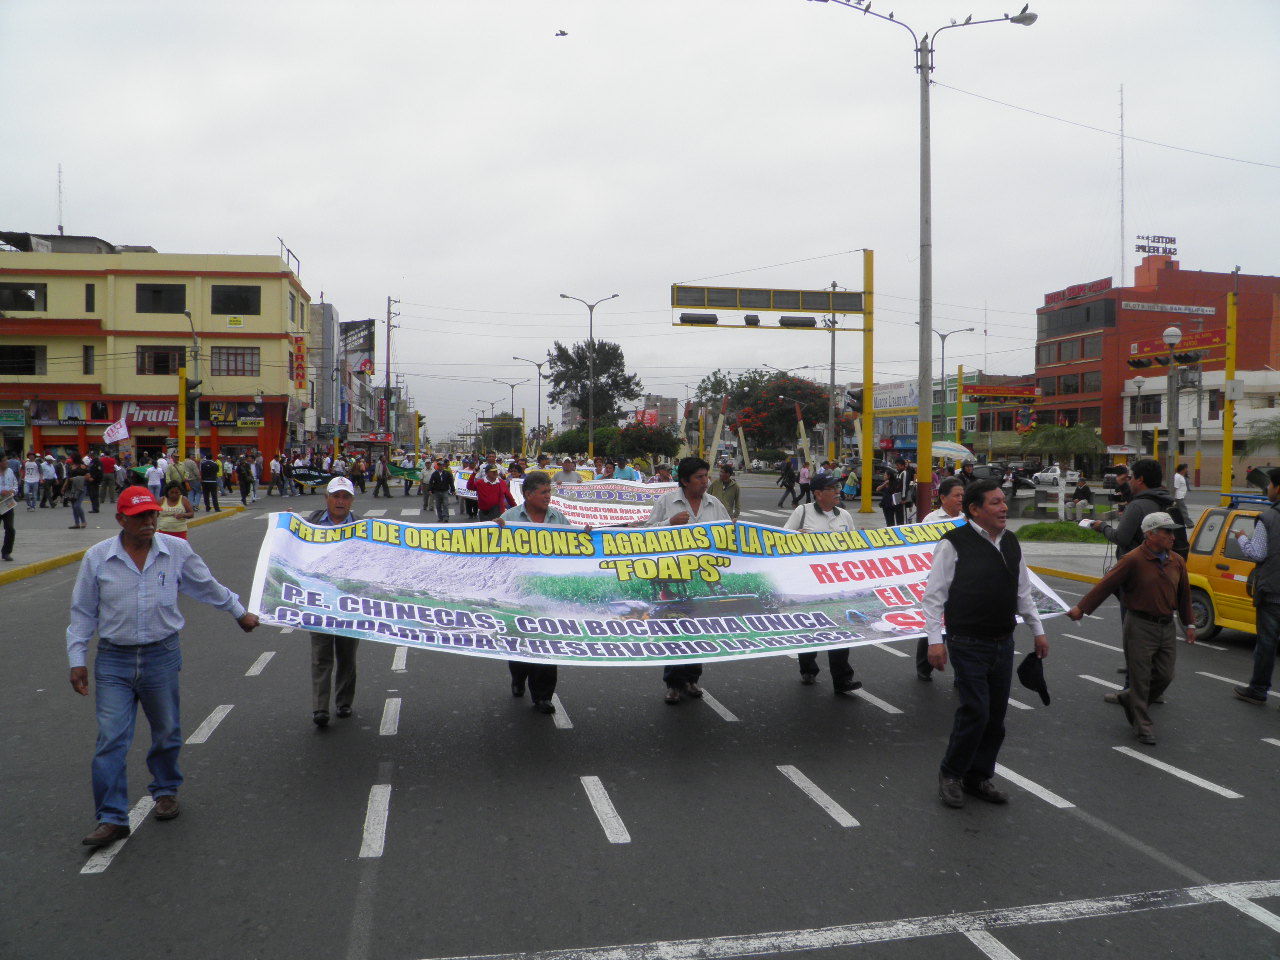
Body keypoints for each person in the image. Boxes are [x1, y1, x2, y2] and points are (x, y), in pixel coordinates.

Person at [66, 487, 259, 846]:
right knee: (110, 739)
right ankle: (111, 816)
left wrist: (239, 612)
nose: (149, 521)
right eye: (140, 516)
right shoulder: (97, 558)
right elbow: (82, 613)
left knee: (167, 731)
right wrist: (77, 659)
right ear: (121, 519)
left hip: (161, 655)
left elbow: (207, 586)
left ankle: (165, 790)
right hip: (114, 660)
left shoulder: (177, 551)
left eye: (152, 514)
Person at [921, 480, 1048, 809]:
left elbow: (1023, 592)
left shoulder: (1012, 543)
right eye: (995, 503)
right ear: (975, 510)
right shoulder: (953, 544)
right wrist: (935, 642)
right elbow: (934, 597)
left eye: (1003, 502)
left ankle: (979, 776)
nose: (1004, 508)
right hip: (967, 641)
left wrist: (1038, 630)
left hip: (1002, 642)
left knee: (995, 716)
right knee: (975, 710)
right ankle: (950, 773)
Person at [1066, 512, 1193, 746]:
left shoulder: (1176, 561)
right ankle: (1142, 725)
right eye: (1167, 532)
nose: (1172, 537)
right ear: (1150, 534)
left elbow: (1184, 594)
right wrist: (1081, 608)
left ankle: (1128, 698)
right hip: (1140, 625)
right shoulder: (1133, 559)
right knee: (1141, 677)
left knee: (1165, 675)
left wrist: (1190, 623)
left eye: (1172, 532)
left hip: (1166, 626)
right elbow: (1106, 585)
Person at [496, 471, 590, 715]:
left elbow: (575, 545)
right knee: (520, 644)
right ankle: (518, 676)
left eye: (550, 492)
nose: (549, 497)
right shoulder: (510, 517)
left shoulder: (558, 518)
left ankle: (542, 696)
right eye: (544, 492)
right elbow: (493, 548)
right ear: (528, 495)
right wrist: (494, 530)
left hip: (549, 592)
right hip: (518, 592)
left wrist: (586, 535)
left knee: (548, 643)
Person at [646, 456, 732, 704]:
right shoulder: (666, 502)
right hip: (672, 577)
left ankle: (692, 678)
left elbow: (728, 534)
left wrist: (733, 530)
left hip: (702, 578)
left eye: (706, 476)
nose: (705, 482)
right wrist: (668, 523)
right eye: (699, 477)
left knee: (698, 629)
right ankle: (673, 683)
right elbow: (645, 534)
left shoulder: (714, 504)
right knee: (675, 627)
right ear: (684, 481)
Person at [784, 474, 864, 694]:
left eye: (838, 487)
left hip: (837, 582)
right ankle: (808, 668)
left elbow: (854, 545)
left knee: (841, 628)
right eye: (832, 488)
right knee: (810, 626)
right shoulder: (802, 512)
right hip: (808, 583)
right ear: (818, 494)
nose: (838, 491)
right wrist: (794, 537)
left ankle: (842, 679)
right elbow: (781, 540)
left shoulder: (844, 516)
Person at [307, 477, 363, 726]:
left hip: (350, 604)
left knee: (347, 656)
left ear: (352, 500)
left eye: (346, 497)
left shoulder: (364, 527)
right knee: (321, 655)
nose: (341, 501)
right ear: (326, 498)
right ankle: (320, 708)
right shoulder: (309, 524)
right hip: (318, 602)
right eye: (336, 496)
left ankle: (344, 703)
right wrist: (285, 525)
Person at [1230, 466, 1280, 707]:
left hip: (1272, 593)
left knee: (1267, 644)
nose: (1268, 487)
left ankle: (1258, 689)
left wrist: (1241, 537)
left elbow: (1257, 553)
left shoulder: (1268, 518)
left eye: (1270, 483)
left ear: (1278, 487)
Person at [916, 476, 966, 682]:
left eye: (963, 495)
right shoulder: (930, 521)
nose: (960, 499)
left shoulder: (966, 519)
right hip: (936, 577)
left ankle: (961, 674)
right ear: (943, 498)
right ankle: (924, 667)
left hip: (961, 581)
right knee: (933, 623)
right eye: (956, 495)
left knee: (958, 630)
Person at [425, 458, 456, 522]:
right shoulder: (434, 474)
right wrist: (430, 490)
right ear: (437, 466)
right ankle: (440, 517)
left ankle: (446, 517)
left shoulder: (447, 473)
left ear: (443, 466)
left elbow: (451, 482)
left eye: (441, 465)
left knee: (445, 504)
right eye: (439, 465)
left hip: (445, 491)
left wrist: (453, 489)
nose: (440, 466)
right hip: (437, 491)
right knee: (438, 505)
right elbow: (431, 482)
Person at [0, 456, 16, 560]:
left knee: (10, 528)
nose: (7, 462)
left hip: (8, 503)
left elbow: (15, 483)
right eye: (4, 461)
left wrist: (13, 491)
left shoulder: (10, 471)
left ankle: (6, 552)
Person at [66, 458, 89, 529]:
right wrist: (64, 487)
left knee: (77, 505)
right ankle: (77, 523)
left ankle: (83, 521)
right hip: (72, 488)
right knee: (74, 506)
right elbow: (68, 478)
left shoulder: (83, 467)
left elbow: (88, 476)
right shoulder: (70, 467)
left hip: (81, 487)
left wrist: (76, 478)